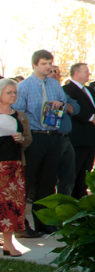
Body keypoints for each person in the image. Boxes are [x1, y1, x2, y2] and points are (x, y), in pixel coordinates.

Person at [13, 50, 78, 236]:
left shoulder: (55, 85)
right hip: (34, 137)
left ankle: (44, 223)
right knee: (27, 181)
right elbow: (18, 113)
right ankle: (20, 225)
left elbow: (65, 105)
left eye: (50, 63)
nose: (48, 67)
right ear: (34, 65)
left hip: (53, 136)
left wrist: (60, 105)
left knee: (47, 182)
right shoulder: (24, 87)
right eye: (44, 63)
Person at [0, 78, 34, 256]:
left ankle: (8, 243)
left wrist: (22, 139)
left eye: (15, 92)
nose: (13, 95)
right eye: (9, 92)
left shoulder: (20, 115)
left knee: (11, 206)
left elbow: (29, 139)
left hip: (14, 166)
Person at [62, 62, 95, 198]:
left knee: (86, 170)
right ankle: (73, 199)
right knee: (74, 171)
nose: (88, 74)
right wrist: (91, 117)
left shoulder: (90, 90)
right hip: (77, 139)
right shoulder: (67, 89)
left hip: (91, 138)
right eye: (86, 71)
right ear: (76, 73)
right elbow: (73, 110)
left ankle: (82, 196)